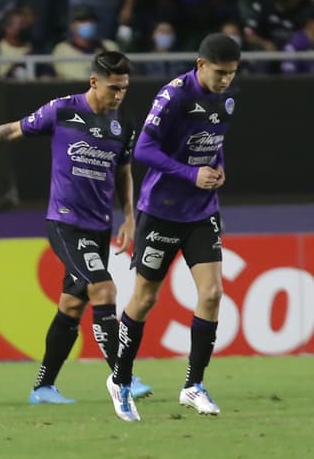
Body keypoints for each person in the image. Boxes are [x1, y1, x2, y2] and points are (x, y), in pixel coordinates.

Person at [0, 51, 150, 405]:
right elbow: (12, 130)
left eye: (124, 88)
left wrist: (129, 216)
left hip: (98, 226)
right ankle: (122, 377)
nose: (119, 95)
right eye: (113, 88)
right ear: (94, 82)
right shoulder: (63, 110)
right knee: (104, 290)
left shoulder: (124, 124)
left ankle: (43, 387)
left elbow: (123, 171)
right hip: (65, 221)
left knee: (71, 306)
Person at [108, 33, 242, 423]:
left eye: (231, 74)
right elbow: (143, 150)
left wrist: (218, 169)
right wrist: (189, 173)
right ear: (201, 65)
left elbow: (213, 142)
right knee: (146, 299)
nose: (225, 81)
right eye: (219, 73)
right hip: (162, 211)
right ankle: (121, 379)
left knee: (213, 293)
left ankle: (193, 385)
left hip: (201, 211)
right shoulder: (174, 96)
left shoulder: (228, 99)